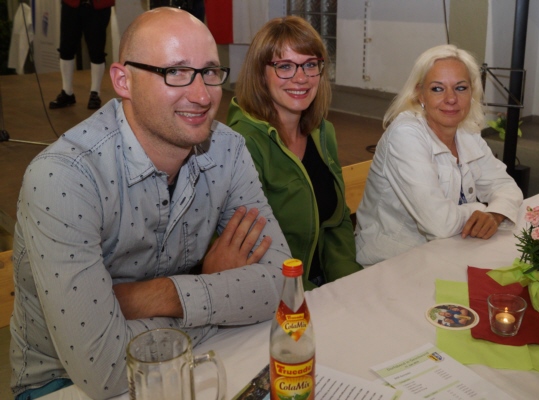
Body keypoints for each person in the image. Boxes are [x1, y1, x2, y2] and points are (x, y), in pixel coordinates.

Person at [10, 8, 291, 399]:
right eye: (175, 72)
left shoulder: (227, 150)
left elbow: (284, 286)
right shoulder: (65, 177)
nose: (202, 95)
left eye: (210, 71)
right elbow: (106, 370)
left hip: (193, 359)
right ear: (123, 81)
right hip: (63, 383)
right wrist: (219, 295)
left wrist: (160, 295)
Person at [355, 44, 523, 266]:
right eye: (437, 89)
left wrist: (495, 214)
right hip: (393, 261)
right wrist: (480, 209)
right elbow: (438, 224)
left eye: (460, 88)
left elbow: (506, 187)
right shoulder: (405, 134)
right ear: (420, 94)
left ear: (472, 92)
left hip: (450, 250)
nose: (451, 98)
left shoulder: (466, 131)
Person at [227, 16, 362, 290]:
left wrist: (349, 285)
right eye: (285, 66)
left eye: (310, 65)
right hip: (276, 291)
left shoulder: (323, 133)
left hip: (324, 285)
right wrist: (311, 300)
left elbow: (336, 223)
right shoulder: (242, 145)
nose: (301, 78)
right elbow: (253, 253)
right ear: (260, 74)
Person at [49, 0, 114, 110]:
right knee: (66, 48)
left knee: (96, 50)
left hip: (98, 6)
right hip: (71, 4)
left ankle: (95, 93)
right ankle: (67, 92)